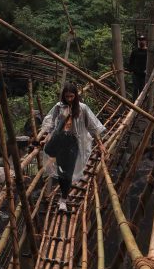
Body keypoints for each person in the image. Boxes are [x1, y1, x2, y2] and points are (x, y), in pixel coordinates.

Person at [40, 82, 106, 212]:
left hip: (72, 142)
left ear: (75, 96)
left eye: (71, 96)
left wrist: (100, 144)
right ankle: (63, 196)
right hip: (59, 141)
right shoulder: (59, 107)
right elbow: (52, 125)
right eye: (67, 97)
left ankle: (63, 199)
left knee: (68, 172)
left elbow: (92, 127)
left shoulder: (82, 108)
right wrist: (46, 138)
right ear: (63, 96)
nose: (69, 99)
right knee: (61, 172)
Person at [127, 35, 149, 100]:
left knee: (143, 91)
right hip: (136, 74)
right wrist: (132, 70)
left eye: (143, 40)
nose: (141, 41)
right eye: (140, 40)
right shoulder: (135, 51)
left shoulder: (148, 52)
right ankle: (134, 106)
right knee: (135, 90)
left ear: (146, 41)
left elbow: (152, 62)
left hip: (145, 75)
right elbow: (131, 62)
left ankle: (142, 106)